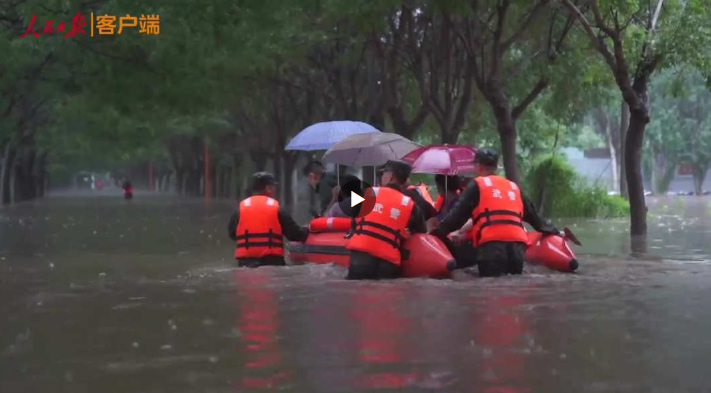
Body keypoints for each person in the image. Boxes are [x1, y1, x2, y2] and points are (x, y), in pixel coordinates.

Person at [430, 148, 559, 277]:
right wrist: (555, 232)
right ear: (496, 166)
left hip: (492, 246)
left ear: (478, 166)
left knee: (491, 290)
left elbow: (456, 217)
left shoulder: (477, 185)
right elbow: (535, 218)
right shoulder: (512, 186)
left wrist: (435, 235)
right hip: (518, 248)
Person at [345, 160, 426, 280]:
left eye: (383, 173)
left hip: (361, 258)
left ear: (391, 176)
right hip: (388, 262)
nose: (382, 176)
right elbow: (421, 231)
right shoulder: (410, 205)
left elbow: (351, 210)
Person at [228, 172, 309, 268]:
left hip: (245, 263)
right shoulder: (277, 209)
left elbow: (233, 235)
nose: (274, 190)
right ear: (268, 188)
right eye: (273, 187)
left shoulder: (240, 209)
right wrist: (307, 230)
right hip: (272, 262)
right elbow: (295, 235)